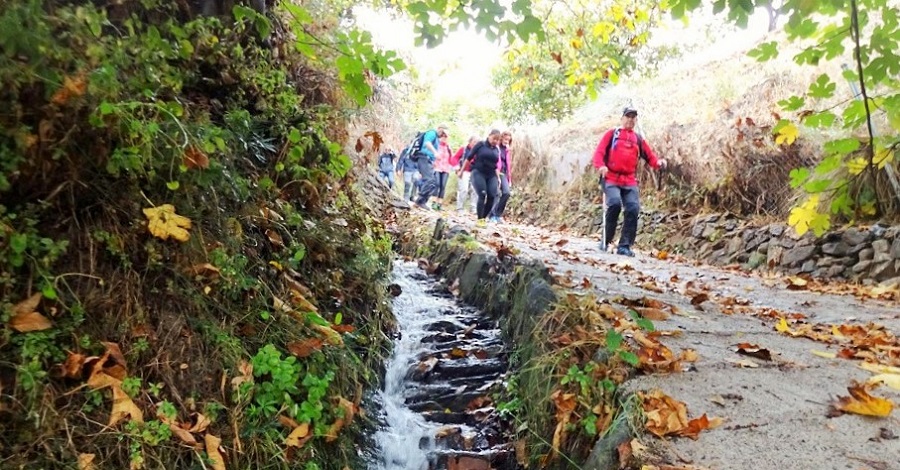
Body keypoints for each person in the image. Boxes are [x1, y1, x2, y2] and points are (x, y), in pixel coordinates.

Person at [592, 106, 667, 257]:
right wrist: (601, 166)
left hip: (629, 180)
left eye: (633, 117)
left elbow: (650, 157)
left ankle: (624, 246)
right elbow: (599, 153)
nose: (630, 119)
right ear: (622, 118)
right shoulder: (612, 134)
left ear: (635, 120)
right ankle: (606, 240)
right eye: (628, 116)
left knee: (633, 208)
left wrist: (659, 163)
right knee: (614, 204)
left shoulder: (638, 139)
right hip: (611, 178)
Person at [463, 129, 502, 227]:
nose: (495, 141)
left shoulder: (496, 149)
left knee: (492, 195)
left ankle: (483, 218)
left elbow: (496, 165)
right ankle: (480, 219)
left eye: (497, 140)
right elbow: (469, 157)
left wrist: (498, 178)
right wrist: (462, 171)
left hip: (491, 174)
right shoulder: (480, 145)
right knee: (482, 194)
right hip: (478, 172)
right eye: (494, 139)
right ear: (489, 136)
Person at [413, 125, 448, 210]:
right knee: (430, 180)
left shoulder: (436, 139)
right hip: (423, 158)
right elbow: (427, 143)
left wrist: (434, 161)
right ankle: (419, 201)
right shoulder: (432, 133)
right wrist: (435, 153)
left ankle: (423, 201)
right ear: (439, 129)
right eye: (443, 133)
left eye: (445, 135)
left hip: (428, 160)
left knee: (433, 182)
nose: (443, 136)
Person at [489, 131, 513, 223]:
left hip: (503, 173)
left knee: (506, 193)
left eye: (508, 140)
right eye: (505, 139)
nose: (506, 141)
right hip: (494, 172)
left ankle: (497, 215)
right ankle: (492, 215)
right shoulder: (495, 148)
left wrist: (509, 179)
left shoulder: (507, 150)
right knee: (497, 193)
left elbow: (508, 165)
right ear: (501, 138)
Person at [451, 136, 479, 214]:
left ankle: (473, 208)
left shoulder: (479, 151)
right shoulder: (463, 149)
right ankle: (460, 207)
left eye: (477, 142)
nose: (475, 144)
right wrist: (457, 168)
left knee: (475, 190)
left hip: (474, 172)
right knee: (464, 189)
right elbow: (454, 158)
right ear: (469, 142)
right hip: (464, 172)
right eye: (474, 142)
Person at [431, 133, 454, 210]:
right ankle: (434, 202)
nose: (444, 139)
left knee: (443, 186)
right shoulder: (436, 146)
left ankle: (439, 204)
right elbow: (432, 155)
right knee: (437, 184)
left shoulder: (448, 147)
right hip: (437, 167)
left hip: (446, 168)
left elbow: (451, 158)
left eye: (445, 137)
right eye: (443, 137)